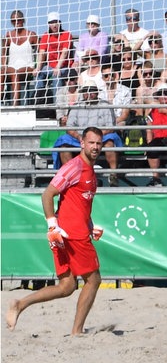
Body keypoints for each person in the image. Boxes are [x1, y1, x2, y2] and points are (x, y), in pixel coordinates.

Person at [6, 127, 105, 335]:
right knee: (94, 279)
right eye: (91, 142)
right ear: (82, 144)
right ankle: (77, 331)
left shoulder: (90, 171)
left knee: (67, 286)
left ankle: (19, 304)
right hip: (71, 233)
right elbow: (47, 195)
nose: (95, 147)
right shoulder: (75, 167)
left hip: (74, 231)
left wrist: (90, 226)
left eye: (98, 143)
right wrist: (53, 224)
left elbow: (79, 205)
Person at [3, 10, 38, 106]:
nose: (16, 22)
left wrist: (37, 67)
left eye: (18, 20)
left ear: (23, 20)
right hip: (12, 66)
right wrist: (3, 66)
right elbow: (3, 54)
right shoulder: (8, 36)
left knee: (16, 73)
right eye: (13, 21)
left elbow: (41, 52)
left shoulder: (32, 35)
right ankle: (1, 98)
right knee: (3, 72)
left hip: (27, 67)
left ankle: (15, 104)